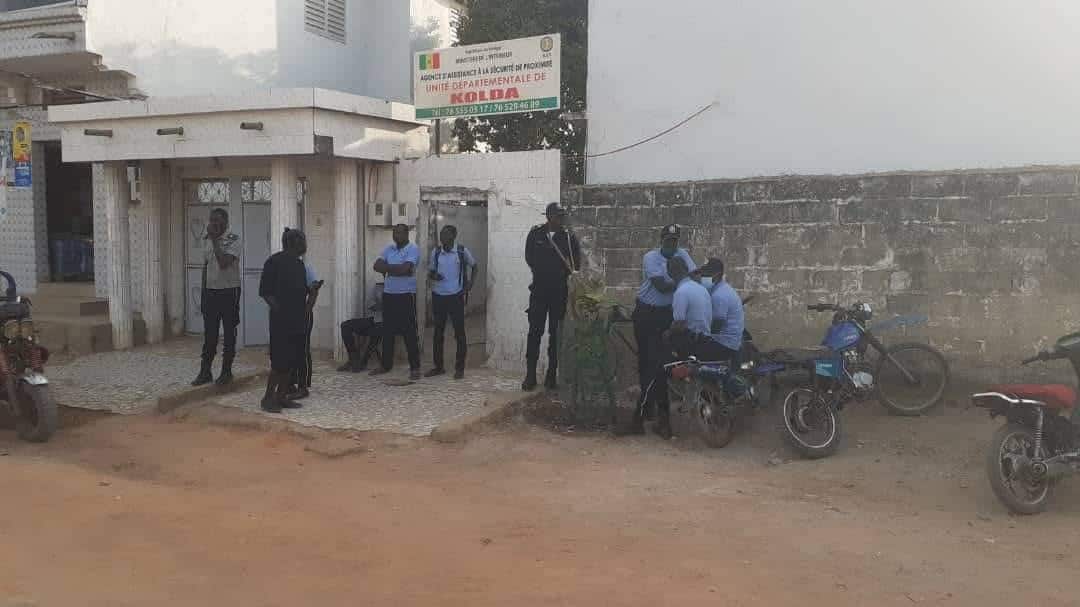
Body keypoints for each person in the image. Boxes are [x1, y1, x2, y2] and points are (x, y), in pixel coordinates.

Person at [623, 224, 697, 435]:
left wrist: (686, 278)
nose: (672, 245)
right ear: (661, 240)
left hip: (666, 316)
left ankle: (656, 419)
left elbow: (696, 276)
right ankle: (649, 412)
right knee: (645, 363)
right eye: (668, 241)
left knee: (658, 367)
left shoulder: (682, 254)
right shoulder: (651, 258)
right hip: (647, 314)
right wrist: (683, 278)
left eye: (675, 241)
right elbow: (661, 286)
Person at [649, 256, 713, 439]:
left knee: (658, 369)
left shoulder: (681, 292)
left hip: (690, 342)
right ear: (686, 269)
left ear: (670, 273)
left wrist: (666, 333)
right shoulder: (700, 289)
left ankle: (664, 425)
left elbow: (680, 324)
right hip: (705, 341)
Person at [523, 202, 581, 391]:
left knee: (555, 335)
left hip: (559, 293)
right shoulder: (536, 234)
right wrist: (544, 272)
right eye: (558, 216)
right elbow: (529, 258)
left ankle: (551, 375)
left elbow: (575, 264)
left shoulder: (569, 238)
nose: (561, 219)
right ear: (548, 216)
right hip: (539, 292)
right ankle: (530, 375)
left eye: (562, 216)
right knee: (534, 333)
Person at [258, 228, 310, 413]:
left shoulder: (299, 265)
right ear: (293, 242)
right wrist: (280, 311)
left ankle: (281, 396)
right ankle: (268, 398)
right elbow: (265, 291)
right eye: (302, 240)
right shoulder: (274, 262)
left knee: (292, 360)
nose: (305, 244)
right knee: (279, 361)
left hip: (297, 319)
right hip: (281, 321)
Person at [192, 208, 242, 387]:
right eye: (212, 220)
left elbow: (223, 263)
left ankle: (226, 372)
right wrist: (204, 291)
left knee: (229, 333)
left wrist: (214, 240)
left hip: (229, 292)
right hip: (211, 292)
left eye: (217, 221)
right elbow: (206, 266)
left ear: (226, 222)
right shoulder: (208, 239)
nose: (213, 224)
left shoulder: (233, 239)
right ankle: (205, 371)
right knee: (210, 334)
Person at [372, 224, 422, 381]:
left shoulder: (413, 249)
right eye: (394, 233)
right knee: (388, 332)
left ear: (407, 234)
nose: (396, 235)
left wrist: (387, 268)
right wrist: (397, 268)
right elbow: (376, 266)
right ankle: (386, 365)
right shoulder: (389, 249)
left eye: (399, 232)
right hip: (389, 295)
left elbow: (406, 269)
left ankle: (415, 368)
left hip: (406, 296)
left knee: (409, 333)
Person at [426, 225, 477, 379]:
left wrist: (470, 284)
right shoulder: (435, 252)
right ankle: (438, 366)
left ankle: (460, 368)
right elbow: (430, 272)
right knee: (438, 333)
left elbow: (475, 266)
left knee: (459, 333)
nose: (442, 237)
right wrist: (434, 276)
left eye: (445, 234)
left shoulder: (461, 251)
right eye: (441, 234)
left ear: (453, 236)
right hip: (438, 296)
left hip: (455, 296)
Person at [285, 245, 323, 401]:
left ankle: (303, 386)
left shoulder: (305, 268)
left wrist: (307, 310)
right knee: (288, 349)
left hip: (302, 314)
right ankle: (289, 382)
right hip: (286, 315)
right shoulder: (283, 267)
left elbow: (314, 290)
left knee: (302, 349)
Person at [700, 258, 744, 364]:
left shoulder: (719, 295)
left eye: (707, 274)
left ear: (717, 274)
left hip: (724, 344)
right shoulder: (722, 288)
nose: (703, 277)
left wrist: (700, 333)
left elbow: (716, 327)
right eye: (703, 274)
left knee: (689, 353)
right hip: (731, 342)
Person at [337, 283, 385, 373]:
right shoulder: (379, 287)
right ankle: (353, 359)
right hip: (373, 319)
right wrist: (384, 305)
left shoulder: (399, 288)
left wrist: (383, 305)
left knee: (378, 330)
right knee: (345, 325)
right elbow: (370, 304)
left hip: (387, 322)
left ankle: (363, 362)